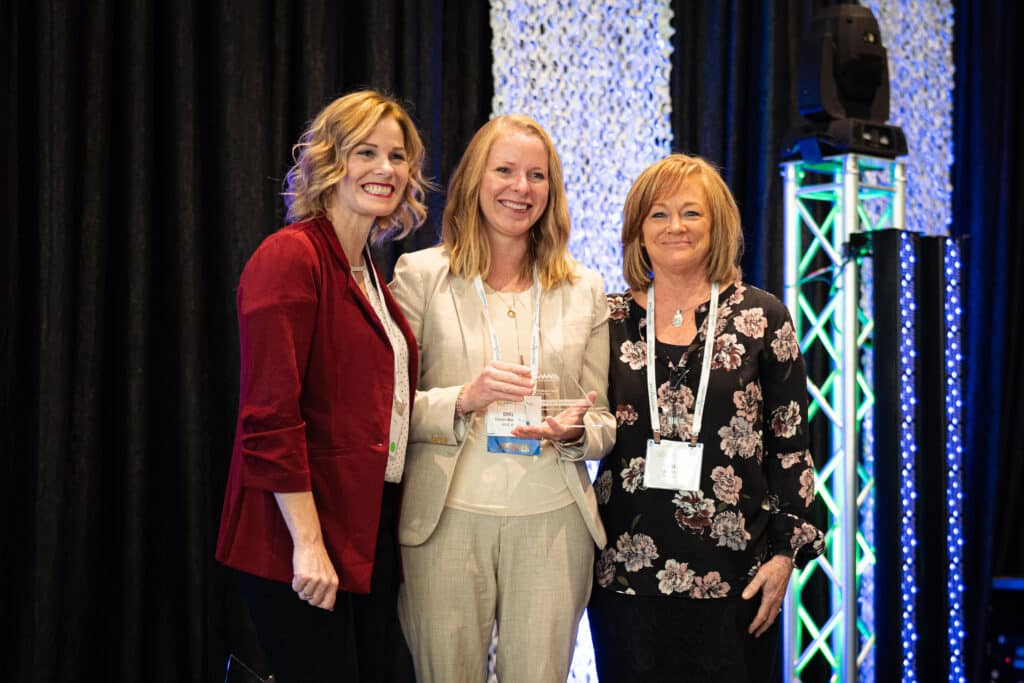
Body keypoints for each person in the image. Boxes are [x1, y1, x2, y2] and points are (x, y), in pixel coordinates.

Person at [389, 114, 616, 682]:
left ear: (552, 191)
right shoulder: (421, 275)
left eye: (536, 175)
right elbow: (385, 410)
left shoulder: (584, 289)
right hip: (444, 522)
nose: (521, 188)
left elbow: (605, 421)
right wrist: (464, 398)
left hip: (553, 523)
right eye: (506, 171)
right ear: (475, 181)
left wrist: (575, 433)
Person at [215, 90, 430, 682]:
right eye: (367, 152)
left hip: (364, 532)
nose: (385, 170)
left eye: (397, 156)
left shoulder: (369, 272)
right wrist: (307, 544)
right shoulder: (289, 259)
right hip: (299, 541)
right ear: (330, 161)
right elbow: (269, 420)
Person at [588, 154, 825, 682]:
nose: (675, 227)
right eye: (658, 214)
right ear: (636, 230)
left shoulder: (762, 317)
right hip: (624, 579)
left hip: (737, 577)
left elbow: (792, 448)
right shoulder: (604, 318)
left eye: (691, 213)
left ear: (717, 225)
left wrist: (785, 557)